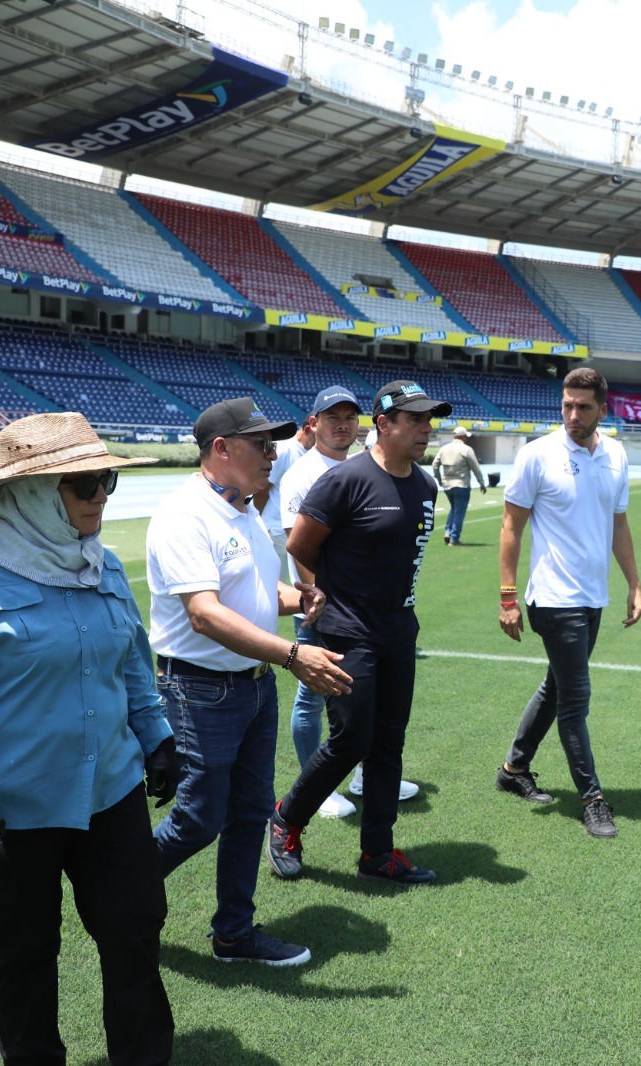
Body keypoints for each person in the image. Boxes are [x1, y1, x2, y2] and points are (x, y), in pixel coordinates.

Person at [0, 412, 176, 1065]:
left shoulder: (103, 566)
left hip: (110, 792)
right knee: (24, 961)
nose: (101, 495)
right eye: (84, 483)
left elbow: (133, 664)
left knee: (135, 935)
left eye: (106, 479)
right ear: (28, 494)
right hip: (12, 812)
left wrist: (156, 734)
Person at [146, 397, 352, 967]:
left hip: (253, 684)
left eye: (273, 442)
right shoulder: (185, 514)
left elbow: (255, 593)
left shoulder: (241, 509)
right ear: (221, 449)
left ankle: (234, 934)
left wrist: (299, 597)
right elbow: (206, 614)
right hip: (202, 688)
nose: (273, 452)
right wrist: (293, 654)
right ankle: (118, 889)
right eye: (261, 443)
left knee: (248, 813)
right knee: (198, 818)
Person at [265, 380, 449, 886]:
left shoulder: (425, 485)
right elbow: (302, 546)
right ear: (383, 424)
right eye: (414, 420)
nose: (425, 429)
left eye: (428, 420)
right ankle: (286, 818)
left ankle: (378, 853)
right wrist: (325, 599)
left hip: (398, 632)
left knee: (388, 744)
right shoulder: (346, 480)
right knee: (350, 740)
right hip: (348, 632)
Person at [494, 367, 641, 839]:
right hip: (553, 598)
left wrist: (634, 584)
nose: (572, 414)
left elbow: (618, 524)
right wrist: (507, 597)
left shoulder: (617, 454)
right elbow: (511, 526)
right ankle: (592, 799)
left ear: (603, 409)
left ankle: (514, 769)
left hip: (592, 596)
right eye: (566, 405)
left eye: (582, 407)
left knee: (557, 687)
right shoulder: (538, 454)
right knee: (576, 698)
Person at [278, 386, 421, 818]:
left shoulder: (361, 469)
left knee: (366, 719)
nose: (342, 424)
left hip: (369, 616)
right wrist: (322, 600)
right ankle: (317, 788)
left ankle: (360, 779)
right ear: (313, 423)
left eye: (349, 416)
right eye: (332, 416)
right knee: (313, 700)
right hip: (324, 610)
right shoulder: (305, 475)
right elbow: (298, 544)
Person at [262, 409, 315, 564]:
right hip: (276, 528)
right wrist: (259, 519)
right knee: (276, 581)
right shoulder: (285, 450)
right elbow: (263, 488)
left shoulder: (309, 452)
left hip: (293, 527)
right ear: (307, 429)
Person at [432, 424, 486, 545]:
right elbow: (476, 468)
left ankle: (448, 531)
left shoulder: (444, 448)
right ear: (462, 436)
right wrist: (481, 483)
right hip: (462, 484)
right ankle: (454, 539)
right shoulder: (467, 449)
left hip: (447, 485)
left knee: (453, 509)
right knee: (459, 513)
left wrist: (439, 479)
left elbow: (435, 465)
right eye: (466, 436)